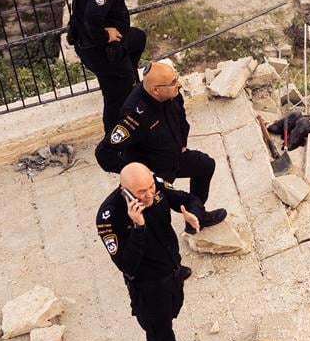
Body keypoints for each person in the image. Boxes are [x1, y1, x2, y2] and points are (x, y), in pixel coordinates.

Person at [95, 162, 209, 341]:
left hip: (170, 271)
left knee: (169, 318)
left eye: (149, 189)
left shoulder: (153, 186)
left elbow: (186, 198)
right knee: (158, 334)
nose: (148, 195)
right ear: (124, 189)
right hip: (148, 287)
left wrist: (193, 214)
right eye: (141, 193)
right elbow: (127, 264)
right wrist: (138, 226)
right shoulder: (109, 216)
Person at [93, 61, 228, 231]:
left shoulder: (171, 93)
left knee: (206, 166)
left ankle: (196, 217)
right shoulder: (135, 116)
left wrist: (182, 143)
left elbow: (181, 117)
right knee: (156, 218)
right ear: (155, 89)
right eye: (172, 82)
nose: (178, 84)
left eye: (175, 79)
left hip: (175, 157)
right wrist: (137, 175)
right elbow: (103, 153)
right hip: (155, 171)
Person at [68, 0, 146, 134]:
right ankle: (115, 142)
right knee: (114, 99)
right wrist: (106, 34)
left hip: (89, 41)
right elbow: (93, 20)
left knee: (137, 38)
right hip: (101, 49)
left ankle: (127, 78)